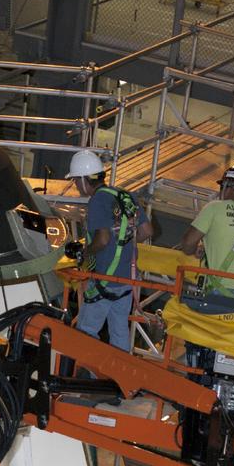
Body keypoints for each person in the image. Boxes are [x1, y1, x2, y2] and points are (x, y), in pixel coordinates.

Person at [67, 150, 152, 352]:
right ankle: (117, 378)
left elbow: (103, 239)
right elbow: (146, 231)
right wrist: (123, 243)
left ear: (83, 179)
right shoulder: (126, 195)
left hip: (104, 279)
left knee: (86, 331)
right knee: (120, 331)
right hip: (127, 281)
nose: (76, 186)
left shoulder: (97, 200)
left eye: (76, 181)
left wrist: (85, 252)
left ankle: (86, 375)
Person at [178, 165, 234, 296]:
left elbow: (188, 244)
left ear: (228, 186)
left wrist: (194, 249)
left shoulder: (215, 207)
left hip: (220, 287)